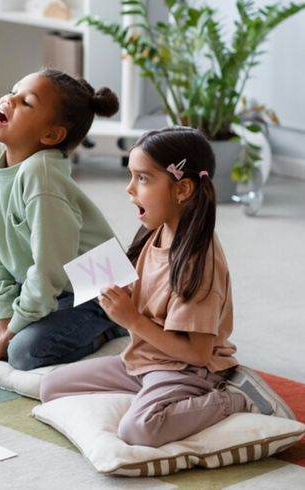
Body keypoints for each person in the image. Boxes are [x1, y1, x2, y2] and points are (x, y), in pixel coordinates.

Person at [40, 127, 295, 447]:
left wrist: (131, 319)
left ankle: (234, 398)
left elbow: (198, 354)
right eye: (132, 176)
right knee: (50, 386)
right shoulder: (155, 232)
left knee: (138, 430)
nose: (130, 189)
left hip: (188, 370)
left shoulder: (198, 265)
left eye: (143, 178)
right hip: (142, 359)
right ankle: (152, 392)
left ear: (183, 188)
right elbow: (153, 297)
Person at [0, 69, 125, 370]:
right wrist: (4, 314)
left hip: (95, 292)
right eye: (13, 91)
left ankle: (109, 330)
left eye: (26, 102)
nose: (9, 100)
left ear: (51, 135)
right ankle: (39, 317)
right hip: (37, 285)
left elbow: (50, 269)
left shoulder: (41, 174)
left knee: (24, 353)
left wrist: (15, 326)